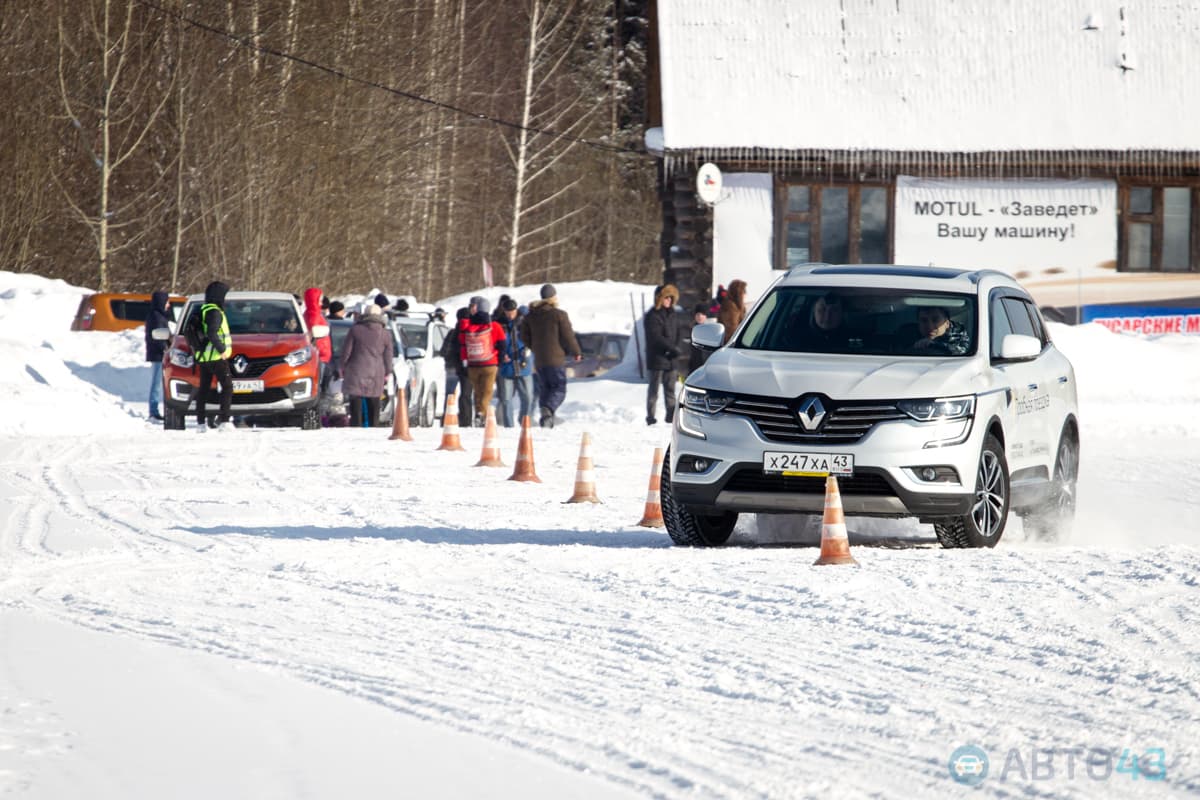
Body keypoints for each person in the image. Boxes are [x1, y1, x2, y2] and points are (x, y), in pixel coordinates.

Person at [519, 283, 582, 428]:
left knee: (546, 388)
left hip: (540, 359)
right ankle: (548, 410)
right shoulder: (559, 315)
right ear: (553, 297)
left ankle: (547, 417)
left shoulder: (530, 316)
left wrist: (534, 347)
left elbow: (523, 336)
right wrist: (576, 352)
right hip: (555, 358)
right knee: (559, 387)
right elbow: (568, 336)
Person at [339, 302, 393, 428]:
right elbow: (388, 355)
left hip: (356, 369)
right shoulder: (385, 333)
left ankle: (356, 425)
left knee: (356, 400)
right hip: (376, 370)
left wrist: (342, 366)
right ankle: (374, 425)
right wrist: (388, 371)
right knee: (374, 399)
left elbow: (347, 351)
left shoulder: (355, 330)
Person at [643, 283, 685, 425]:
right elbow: (655, 337)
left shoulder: (673, 314)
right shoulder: (652, 315)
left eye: (670, 298)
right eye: (666, 298)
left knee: (670, 390)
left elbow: (678, 333)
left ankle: (670, 416)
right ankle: (651, 417)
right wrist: (670, 348)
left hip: (671, 359)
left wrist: (676, 348)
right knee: (654, 390)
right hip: (657, 358)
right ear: (659, 298)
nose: (668, 300)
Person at [460, 298, 506, 427]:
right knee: (487, 391)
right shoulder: (494, 326)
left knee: (478, 390)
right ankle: (481, 414)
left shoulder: (468, 325)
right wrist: (499, 362)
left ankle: (479, 414)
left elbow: (463, 344)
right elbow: (502, 344)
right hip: (490, 363)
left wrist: (465, 361)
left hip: (472, 364)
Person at [195, 280, 234, 430]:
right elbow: (212, 332)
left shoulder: (205, 309)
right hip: (216, 357)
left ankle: (200, 423)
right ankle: (224, 420)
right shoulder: (215, 312)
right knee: (227, 387)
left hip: (205, 357)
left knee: (203, 389)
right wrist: (222, 349)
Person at [496, 298, 535, 427]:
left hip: (523, 365)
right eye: (508, 312)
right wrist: (501, 355)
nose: (510, 314)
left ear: (516, 310)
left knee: (528, 397)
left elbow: (533, 338)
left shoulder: (525, 321)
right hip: (506, 367)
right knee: (506, 399)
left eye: (512, 312)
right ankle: (508, 425)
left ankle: (524, 421)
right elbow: (495, 343)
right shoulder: (499, 324)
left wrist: (528, 350)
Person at [144, 289, 171, 421]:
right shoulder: (157, 317)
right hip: (158, 354)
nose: (168, 305)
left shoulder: (159, 315)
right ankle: (153, 411)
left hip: (159, 353)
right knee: (157, 383)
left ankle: (154, 410)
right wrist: (166, 349)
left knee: (158, 383)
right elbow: (158, 336)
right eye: (167, 302)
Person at [302, 287, 332, 393]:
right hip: (320, 355)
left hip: (322, 355)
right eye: (320, 298)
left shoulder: (314, 313)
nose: (321, 301)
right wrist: (321, 350)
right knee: (321, 387)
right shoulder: (313, 315)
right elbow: (314, 334)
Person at [717, 279, 747, 344]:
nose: (745, 294)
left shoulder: (737, 306)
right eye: (744, 291)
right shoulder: (730, 307)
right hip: (732, 346)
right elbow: (731, 331)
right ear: (738, 293)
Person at [686, 303, 710, 375]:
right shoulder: (691, 329)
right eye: (697, 314)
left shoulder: (710, 330)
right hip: (694, 364)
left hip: (706, 364)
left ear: (706, 316)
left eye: (702, 314)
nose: (700, 316)